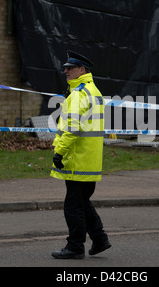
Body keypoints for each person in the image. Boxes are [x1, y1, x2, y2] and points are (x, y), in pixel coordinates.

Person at [50, 50, 111, 259]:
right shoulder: (93, 90)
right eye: (65, 67)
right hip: (90, 159)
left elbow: (73, 128)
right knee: (82, 203)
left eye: (70, 68)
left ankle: (75, 247)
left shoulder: (79, 94)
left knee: (73, 206)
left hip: (77, 158)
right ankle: (100, 239)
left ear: (81, 70)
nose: (65, 70)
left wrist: (59, 151)